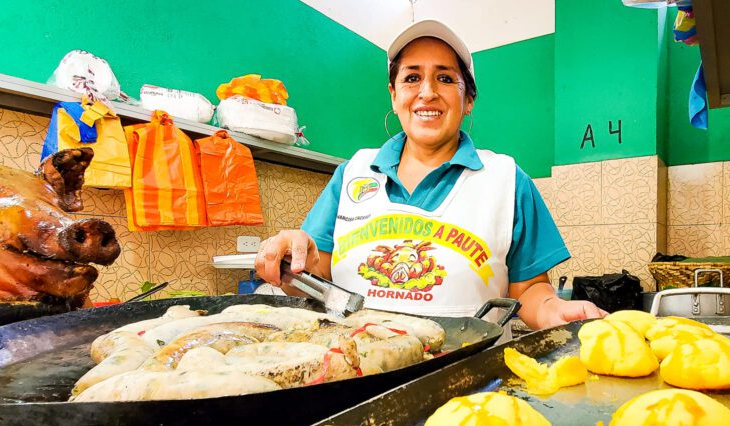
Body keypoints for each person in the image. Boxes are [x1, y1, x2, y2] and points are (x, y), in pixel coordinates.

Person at [256, 20, 606, 329]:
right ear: (394, 96)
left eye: (445, 78)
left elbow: (529, 291)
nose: (427, 92)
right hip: (356, 367)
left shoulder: (506, 180)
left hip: (466, 374)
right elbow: (316, 275)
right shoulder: (353, 173)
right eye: (412, 78)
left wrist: (553, 310)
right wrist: (291, 261)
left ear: (468, 99)